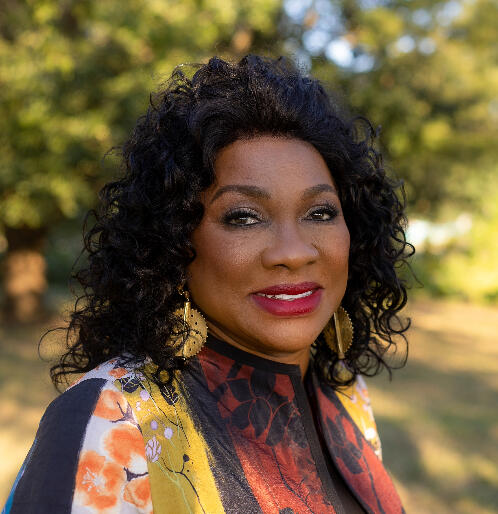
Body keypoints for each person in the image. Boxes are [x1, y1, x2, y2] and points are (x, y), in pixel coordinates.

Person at [4, 55, 412, 514]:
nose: (294, 252)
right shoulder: (113, 420)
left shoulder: (344, 392)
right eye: (244, 217)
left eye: (319, 212)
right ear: (175, 242)